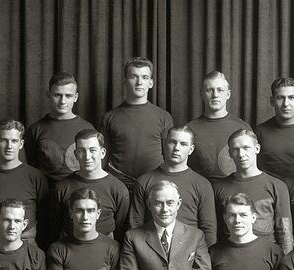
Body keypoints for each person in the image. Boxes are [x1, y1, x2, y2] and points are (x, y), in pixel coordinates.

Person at [130, 125, 218, 246]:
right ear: (164, 144)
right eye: (172, 142)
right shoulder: (144, 181)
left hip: (189, 252)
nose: (177, 148)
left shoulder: (202, 184)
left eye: (183, 144)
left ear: (191, 149)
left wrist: (201, 259)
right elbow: (135, 225)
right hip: (151, 251)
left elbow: (208, 230)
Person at [213, 129, 293, 254]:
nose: (241, 154)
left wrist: (286, 266)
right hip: (229, 256)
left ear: (257, 149)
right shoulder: (218, 188)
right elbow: (214, 231)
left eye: (246, 148)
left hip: (266, 258)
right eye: (236, 149)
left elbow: (285, 233)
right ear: (229, 153)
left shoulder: (277, 186)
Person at [101, 56, 173, 191]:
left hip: (153, 185)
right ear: (125, 81)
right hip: (119, 185)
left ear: (151, 83)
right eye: (134, 77)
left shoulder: (164, 117)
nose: (139, 82)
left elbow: (169, 157)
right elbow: (103, 159)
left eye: (145, 77)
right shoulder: (110, 117)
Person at [0, 119, 49, 246]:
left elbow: (46, 218)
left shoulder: (36, 177)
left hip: (27, 244)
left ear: (21, 144)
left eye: (14, 141)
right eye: (3, 140)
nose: (9, 146)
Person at [53, 129, 130, 241]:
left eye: (92, 150)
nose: (87, 156)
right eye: (81, 151)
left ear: (102, 153)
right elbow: (53, 228)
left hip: (106, 253)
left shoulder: (118, 189)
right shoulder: (61, 188)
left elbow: (121, 230)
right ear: (75, 154)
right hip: (69, 251)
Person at [25, 72, 95, 183]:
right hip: (45, 195)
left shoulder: (87, 128)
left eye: (68, 96)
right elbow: (29, 168)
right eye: (57, 95)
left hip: (79, 193)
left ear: (75, 97)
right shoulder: (35, 129)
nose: (63, 101)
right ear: (48, 95)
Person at [187, 71, 251, 182]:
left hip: (233, 194)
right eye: (209, 90)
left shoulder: (242, 128)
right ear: (202, 93)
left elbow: (250, 169)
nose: (215, 95)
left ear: (228, 94)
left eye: (220, 90)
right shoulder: (189, 129)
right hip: (199, 193)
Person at [256, 77, 294, 180]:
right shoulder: (260, 131)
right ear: (272, 101)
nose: (286, 104)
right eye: (280, 98)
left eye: (291, 97)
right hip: (270, 193)